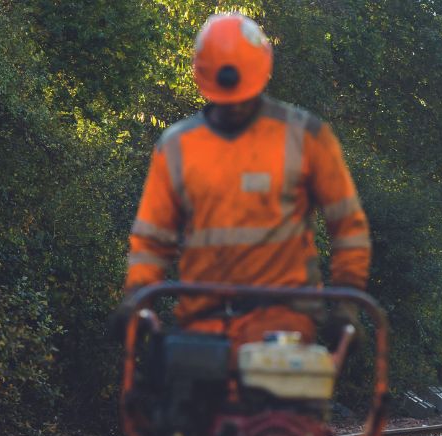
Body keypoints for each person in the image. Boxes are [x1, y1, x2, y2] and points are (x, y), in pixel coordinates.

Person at [122, 13, 371, 346]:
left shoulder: (305, 137)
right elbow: (152, 239)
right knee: (178, 372)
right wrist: (137, 298)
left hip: (285, 319)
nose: (235, 106)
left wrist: (347, 305)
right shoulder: (177, 146)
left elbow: (348, 226)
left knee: (277, 380)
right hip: (203, 320)